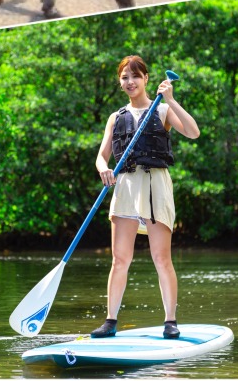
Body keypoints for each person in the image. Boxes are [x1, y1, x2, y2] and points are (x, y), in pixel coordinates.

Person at [92, 55, 200, 340]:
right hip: (125, 186)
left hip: (155, 185)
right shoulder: (116, 117)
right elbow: (101, 158)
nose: (130, 82)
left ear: (146, 79)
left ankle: (170, 321)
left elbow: (193, 132)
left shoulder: (162, 110)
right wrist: (104, 170)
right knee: (119, 259)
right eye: (125, 77)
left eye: (135, 76)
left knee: (161, 258)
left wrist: (172, 99)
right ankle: (111, 320)